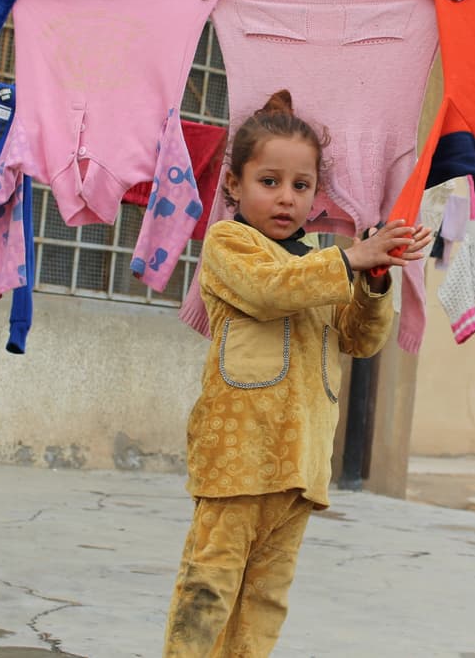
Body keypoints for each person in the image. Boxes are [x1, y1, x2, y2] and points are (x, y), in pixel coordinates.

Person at [163, 89, 432, 656]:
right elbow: (269, 291)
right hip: (237, 458)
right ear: (234, 185)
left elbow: (361, 338)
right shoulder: (230, 243)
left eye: (301, 186)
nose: (286, 198)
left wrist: (376, 281)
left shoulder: (321, 262)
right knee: (208, 590)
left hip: (300, 464)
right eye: (270, 181)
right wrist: (350, 258)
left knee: (264, 603)